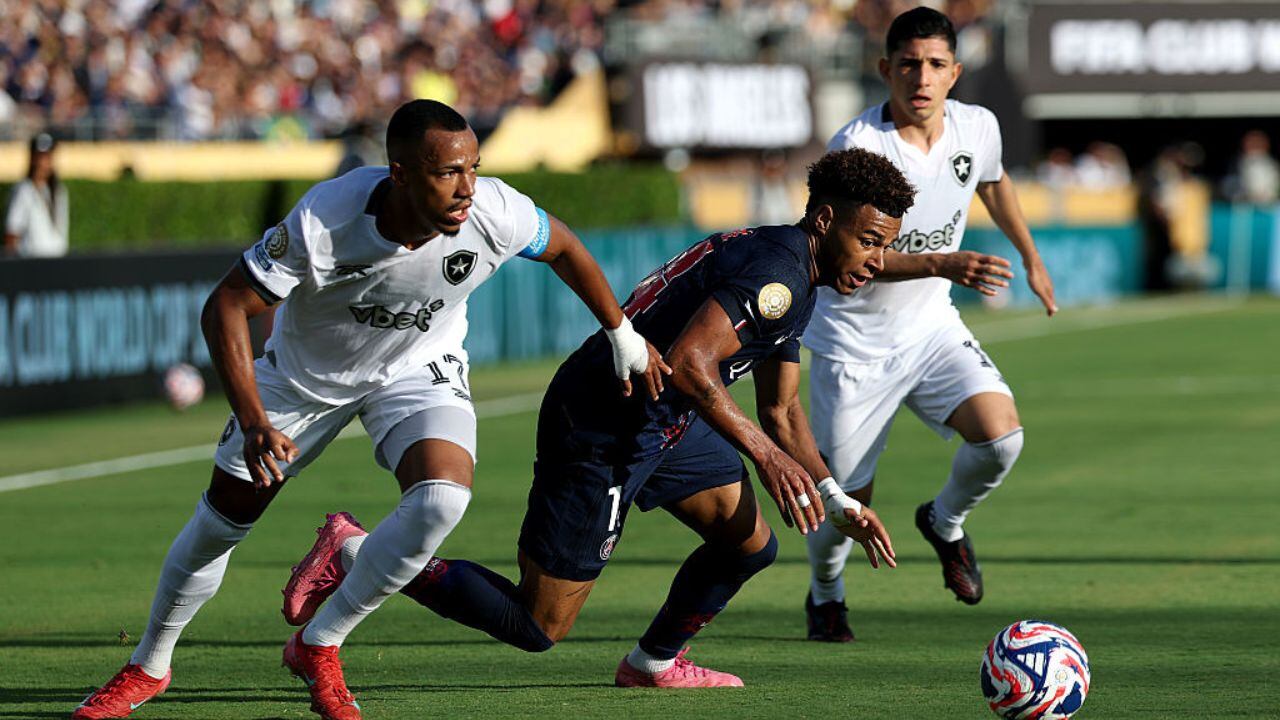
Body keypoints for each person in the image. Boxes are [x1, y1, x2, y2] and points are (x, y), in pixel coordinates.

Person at [70, 99, 663, 720]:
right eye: (447, 174)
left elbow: (564, 246)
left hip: (416, 368)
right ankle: (149, 665)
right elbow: (226, 305)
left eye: (474, 168)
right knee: (220, 526)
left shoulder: (493, 210)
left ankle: (319, 642)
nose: (468, 188)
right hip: (303, 382)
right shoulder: (325, 220)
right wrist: (253, 420)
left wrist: (621, 334)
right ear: (399, 174)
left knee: (442, 499)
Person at [281, 148, 910, 689]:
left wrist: (835, 497)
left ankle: (653, 663)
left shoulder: (794, 268)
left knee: (747, 544)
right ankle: (356, 549)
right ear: (826, 220)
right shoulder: (779, 275)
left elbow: (782, 408)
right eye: (871, 240)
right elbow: (691, 362)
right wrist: (766, 457)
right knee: (538, 625)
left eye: (888, 245)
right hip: (602, 424)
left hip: (665, 421)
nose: (879, 259)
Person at [800, 7, 1057, 643]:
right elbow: (843, 255)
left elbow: (993, 184)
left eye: (936, 65)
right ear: (885, 68)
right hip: (853, 345)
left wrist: (1029, 255)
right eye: (909, 64)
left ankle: (944, 523)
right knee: (847, 505)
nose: (922, 77)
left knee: (1001, 438)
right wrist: (941, 260)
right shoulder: (858, 147)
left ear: (955, 73)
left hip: (931, 328)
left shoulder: (978, 126)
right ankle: (826, 593)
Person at [4, 132, 69, 258]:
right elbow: (12, 232)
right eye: (42, 157)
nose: (46, 162)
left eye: (49, 156)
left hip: (57, 264)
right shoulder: (24, 191)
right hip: (32, 265)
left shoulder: (59, 191)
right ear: (33, 158)